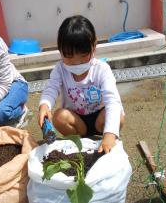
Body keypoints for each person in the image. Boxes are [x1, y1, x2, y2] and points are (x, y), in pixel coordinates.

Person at [38, 15, 125, 153]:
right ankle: (80, 142)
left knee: (117, 115)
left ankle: (104, 136)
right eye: (69, 58)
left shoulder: (102, 69)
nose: (77, 63)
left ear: (94, 46)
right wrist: (44, 105)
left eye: (83, 57)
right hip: (77, 120)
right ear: (60, 51)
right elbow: (51, 89)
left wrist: (109, 135)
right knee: (59, 117)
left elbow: (112, 100)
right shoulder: (60, 69)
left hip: (99, 118)